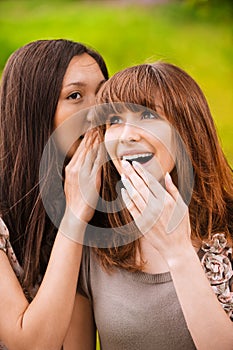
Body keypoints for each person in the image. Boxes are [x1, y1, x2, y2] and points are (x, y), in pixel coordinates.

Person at [63, 62, 233, 350]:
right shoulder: (95, 241)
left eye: (146, 115)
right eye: (114, 120)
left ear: (188, 129)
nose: (128, 135)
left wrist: (178, 252)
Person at [0, 39, 108, 350]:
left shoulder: (98, 196)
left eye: (103, 94)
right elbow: (32, 344)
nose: (97, 112)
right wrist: (74, 217)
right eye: (75, 96)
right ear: (33, 111)